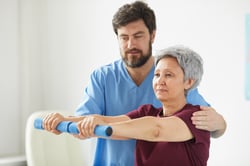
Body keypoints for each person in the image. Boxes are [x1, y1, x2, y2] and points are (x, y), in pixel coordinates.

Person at [42, 1, 226, 166]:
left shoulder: (192, 114)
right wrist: (65, 121)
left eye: (138, 36)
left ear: (152, 35)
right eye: (124, 37)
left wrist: (220, 122)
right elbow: (105, 122)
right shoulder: (145, 109)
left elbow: (156, 129)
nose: (131, 44)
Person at [76, 45, 210, 166]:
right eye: (157, 75)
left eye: (168, 75)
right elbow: (109, 120)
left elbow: (156, 130)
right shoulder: (147, 112)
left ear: (189, 82)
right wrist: (62, 120)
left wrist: (102, 124)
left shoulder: (196, 118)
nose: (160, 81)